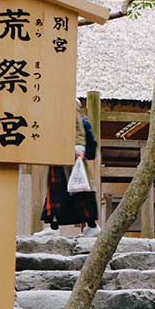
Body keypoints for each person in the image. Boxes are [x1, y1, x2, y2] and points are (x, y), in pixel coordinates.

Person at [35, 100, 100, 237]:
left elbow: (78, 126)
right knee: (55, 192)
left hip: (70, 154)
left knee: (80, 191)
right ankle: (53, 227)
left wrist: (79, 146)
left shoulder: (68, 100)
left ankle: (92, 225)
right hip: (59, 152)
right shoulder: (58, 99)